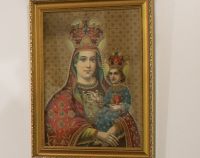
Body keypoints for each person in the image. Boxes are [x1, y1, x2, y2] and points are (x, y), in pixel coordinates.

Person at [45, 20, 140, 148]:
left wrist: (115, 128)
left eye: (92, 60)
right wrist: (97, 134)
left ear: (98, 63)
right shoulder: (63, 98)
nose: (88, 65)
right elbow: (59, 126)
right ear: (75, 63)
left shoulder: (110, 90)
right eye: (83, 59)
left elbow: (126, 115)